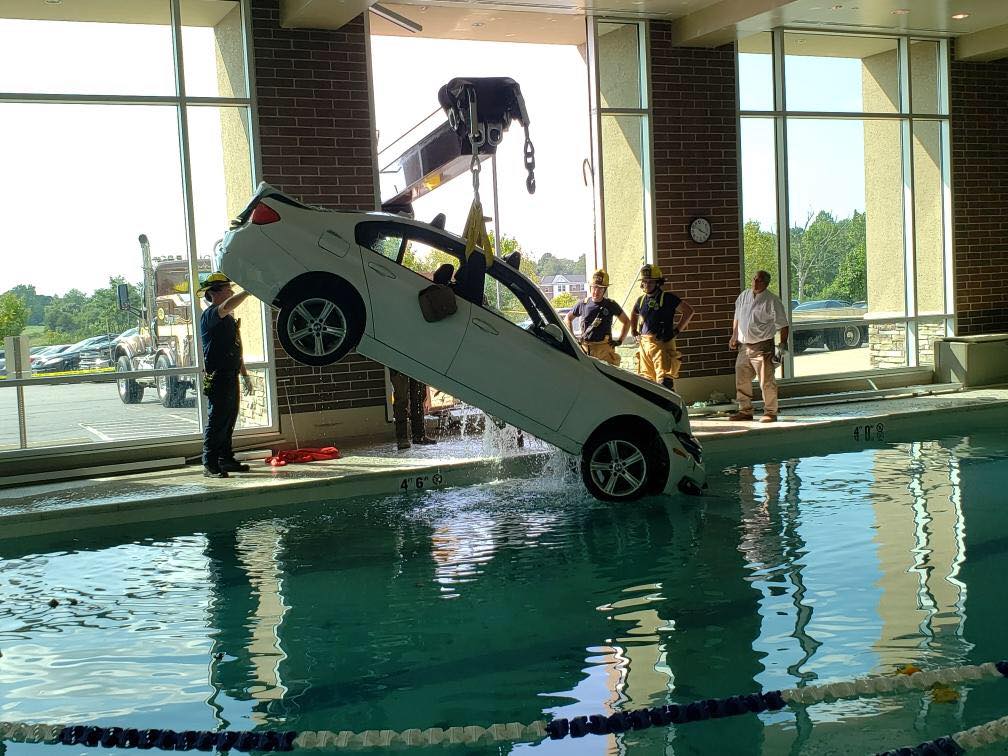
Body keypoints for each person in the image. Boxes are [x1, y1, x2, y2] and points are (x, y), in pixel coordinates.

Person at [197, 273, 255, 478]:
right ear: (213, 293)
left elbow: (236, 348)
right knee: (217, 420)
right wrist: (248, 291)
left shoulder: (227, 319)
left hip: (230, 375)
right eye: (226, 288)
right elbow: (227, 306)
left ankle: (225, 459)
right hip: (218, 377)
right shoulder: (212, 314)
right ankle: (210, 464)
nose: (231, 291)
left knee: (229, 419)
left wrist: (244, 374)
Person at [729, 270, 789, 423]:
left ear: (766, 283)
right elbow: (737, 317)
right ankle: (745, 411)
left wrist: (782, 345)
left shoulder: (772, 300)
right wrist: (734, 336)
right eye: (754, 279)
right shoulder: (743, 296)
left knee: (766, 381)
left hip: (763, 346)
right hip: (744, 346)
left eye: (760, 280)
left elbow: (783, 324)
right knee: (741, 379)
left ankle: (771, 412)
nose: (756, 282)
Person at [630, 264, 694, 391]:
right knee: (647, 384)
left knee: (665, 384)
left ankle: (669, 410)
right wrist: (633, 331)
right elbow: (634, 313)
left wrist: (676, 330)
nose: (647, 285)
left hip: (662, 345)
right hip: (644, 346)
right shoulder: (641, 300)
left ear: (658, 283)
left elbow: (688, 311)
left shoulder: (668, 298)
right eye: (644, 282)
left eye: (651, 282)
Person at [565, 268, 629, 367]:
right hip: (586, 350)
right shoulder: (583, 304)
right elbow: (568, 318)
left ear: (605, 289)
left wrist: (620, 340)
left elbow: (626, 322)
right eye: (594, 287)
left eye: (600, 288)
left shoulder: (611, 305)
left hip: (605, 351)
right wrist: (572, 337)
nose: (596, 291)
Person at [389, 370, 436, 450]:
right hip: (399, 363)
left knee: (418, 397)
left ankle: (419, 435)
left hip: (414, 362)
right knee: (401, 398)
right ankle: (402, 438)